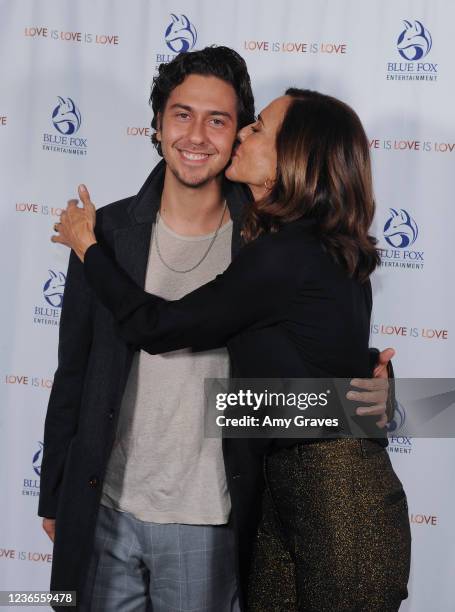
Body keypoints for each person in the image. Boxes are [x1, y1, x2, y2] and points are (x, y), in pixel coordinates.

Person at [42, 47, 394, 612]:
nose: (197, 134)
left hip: (220, 518)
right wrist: (55, 492)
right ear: (157, 126)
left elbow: (321, 355)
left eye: (226, 121)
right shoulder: (108, 229)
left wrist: (382, 395)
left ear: (242, 140)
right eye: (181, 114)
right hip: (108, 508)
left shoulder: (266, 239)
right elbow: (74, 370)